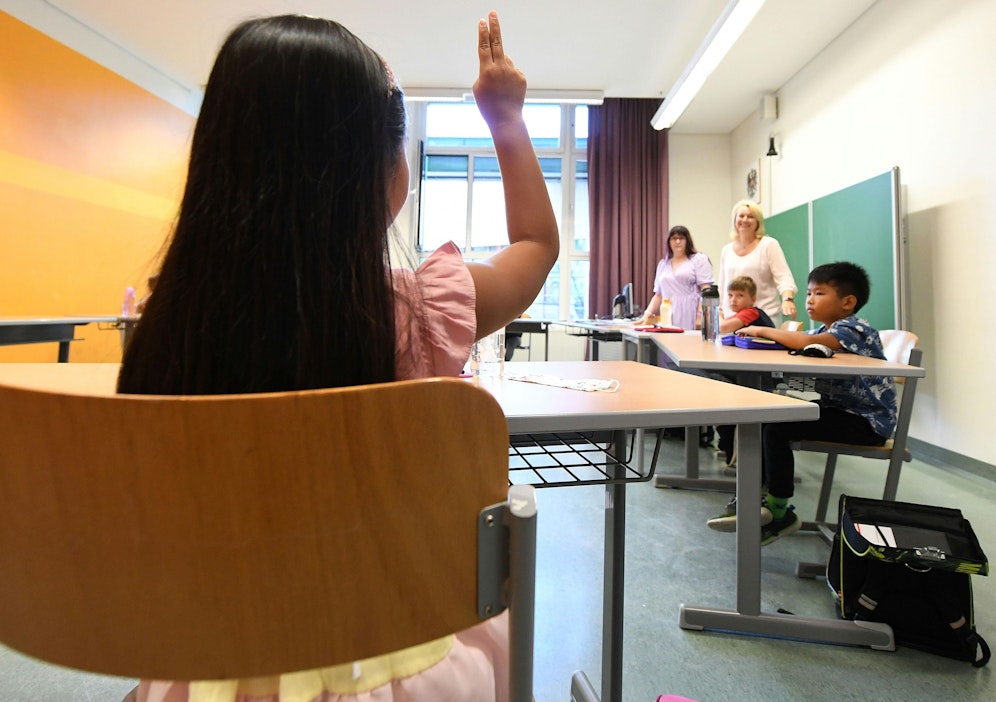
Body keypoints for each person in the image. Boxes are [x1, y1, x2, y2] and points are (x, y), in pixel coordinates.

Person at [117, 11, 558, 702]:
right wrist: (503, 116)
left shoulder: (168, 328)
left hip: (209, 670)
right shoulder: (417, 314)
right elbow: (536, 245)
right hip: (391, 665)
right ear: (381, 175)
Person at [707, 262, 898, 546]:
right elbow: (811, 359)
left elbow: (807, 340)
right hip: (842, 412)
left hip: (866, 422)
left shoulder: (854, 329)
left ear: (848, 302)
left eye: (818, 293)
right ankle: (755, 498)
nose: (809, 300)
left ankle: (778, 511)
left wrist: (763, 331)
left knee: (776, 427)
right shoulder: (828, 330)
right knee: (766, 417)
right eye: (808, 293)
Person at [714, 276, 775, 464]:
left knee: (715, 384)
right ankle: (728, 443)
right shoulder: (742, 313)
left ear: (753, 298)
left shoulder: (751, 313)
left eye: (740, 295)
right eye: (730, 295)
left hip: (760, 377)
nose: (733, 299)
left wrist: (717, 313)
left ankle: (733, 446)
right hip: (752, 372)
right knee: (715, 383)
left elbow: (722, 327)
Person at [717, 200, 797, 327]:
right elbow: (722, 284)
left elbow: (783, 277)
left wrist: (788, 299)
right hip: (732, 319)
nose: (745, 220)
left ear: (758, 222)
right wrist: (719, 309)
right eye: (741, 216)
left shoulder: (768, 244)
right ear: (734, 220)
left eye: (750, 216)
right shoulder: (726, 250)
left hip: (763, 317)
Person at [634, 225, 713, 330]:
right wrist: (647, 313)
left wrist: (701, 315)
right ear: (669, 242)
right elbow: (658, 295)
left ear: (687, 241)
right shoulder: (663, 264)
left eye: (681, 238)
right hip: (668, 311)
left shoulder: (698, 260)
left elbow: (705, 289)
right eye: (674, 238)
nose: (677, 242)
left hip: (690, 311)